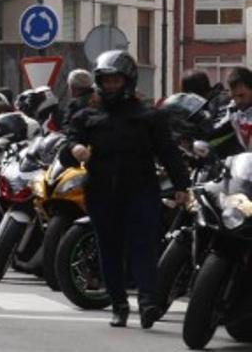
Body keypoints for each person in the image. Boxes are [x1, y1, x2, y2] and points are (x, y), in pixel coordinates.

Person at [60, 50, 190, 329]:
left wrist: (182, 185)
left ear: (128, 80)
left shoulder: (150, 117)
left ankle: (147, 303)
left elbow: (169, 152)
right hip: (101, 192)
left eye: (115, 80)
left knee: (143, 245)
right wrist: (75, 148)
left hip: (141, 190)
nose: (110, 85)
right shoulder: (85, 116)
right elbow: (65, 150)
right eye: (105, 81)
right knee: (109, 248)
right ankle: (118, 305)